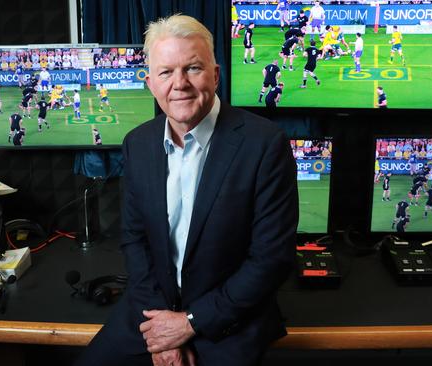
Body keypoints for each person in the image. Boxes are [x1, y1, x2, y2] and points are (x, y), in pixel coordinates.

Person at [74, 14, 298, 366]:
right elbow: (134, 239)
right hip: (151, 312)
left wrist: (189, 325)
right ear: (150, 83)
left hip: (228, 319)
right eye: (166, 72)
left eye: (193, 68)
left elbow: (271, 260)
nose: (180, 84)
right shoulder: (138, 143)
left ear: (216, 75)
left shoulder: (265, 145)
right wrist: (162, 332)